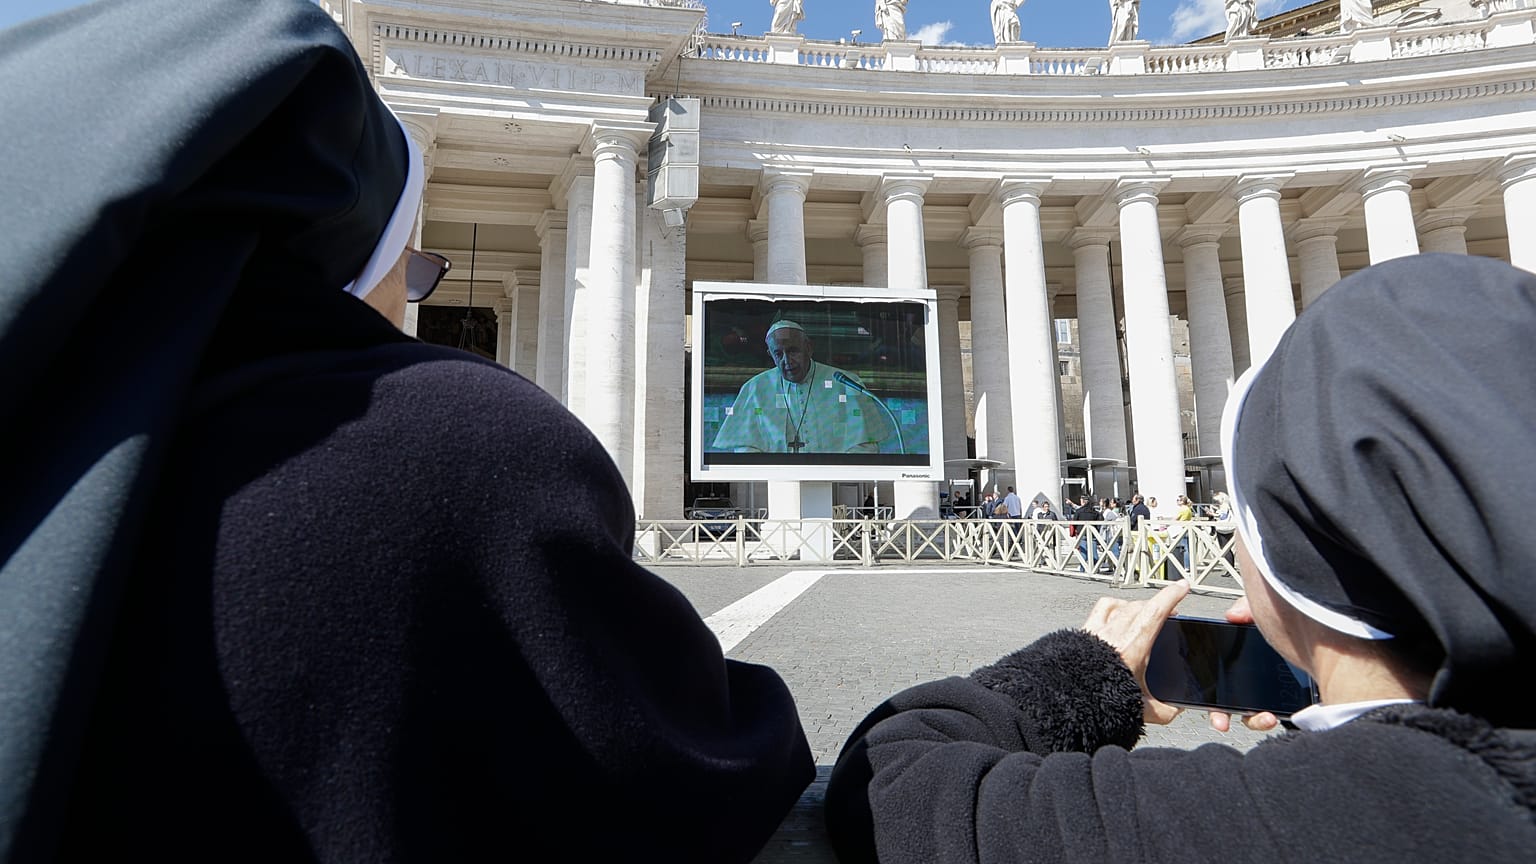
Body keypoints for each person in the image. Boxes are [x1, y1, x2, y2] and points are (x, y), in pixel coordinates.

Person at [0, 2, 813, 861]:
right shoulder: (453, 437)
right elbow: (689, 764)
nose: (409, 302)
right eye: (410, 265)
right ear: (348, 236)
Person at [823, 253, 1536, 863]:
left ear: (1284, 555)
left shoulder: (1262, 825)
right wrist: (1338, 677)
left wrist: (1081, 676)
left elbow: (893, 784)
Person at [711, 320, 895, 454]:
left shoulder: (845, 383)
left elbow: (866, 445)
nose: (786, 361)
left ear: (809, 347)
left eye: (793, 351)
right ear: (770, 354)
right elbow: (745, 447)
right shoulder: (755, 389)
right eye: (778, 354)